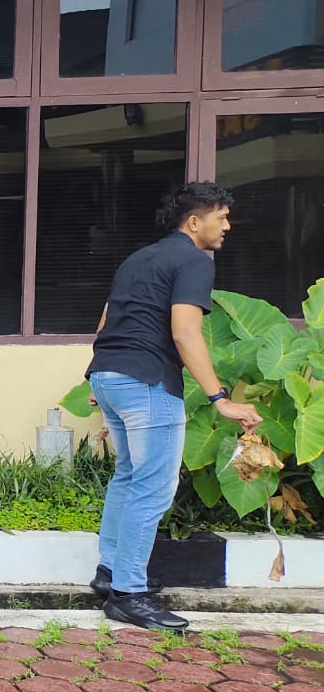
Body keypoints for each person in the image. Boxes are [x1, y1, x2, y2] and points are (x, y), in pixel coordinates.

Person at [85, 184, 262, 631]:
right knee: (152, 488)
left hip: (109, 375)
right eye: (221, 217)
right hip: (146, 381)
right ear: (194, 222)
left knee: (128, 476)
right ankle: (128, 594)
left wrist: (101, 376)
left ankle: (110, 573)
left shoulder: (138, 258)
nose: (228, 225)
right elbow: (185, 333)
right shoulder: (194, 261)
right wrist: (220, 399)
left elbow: (107, 320)